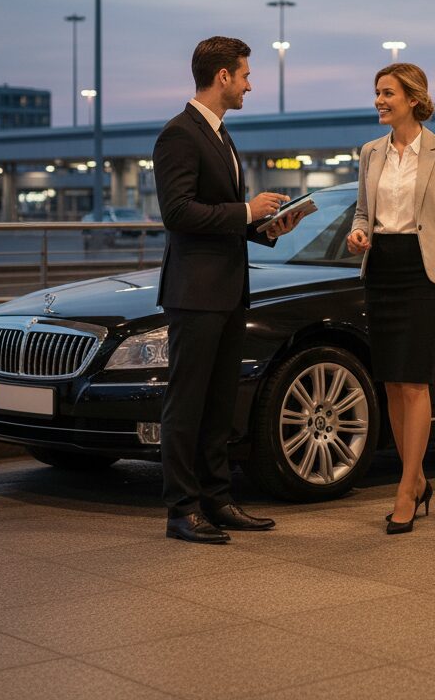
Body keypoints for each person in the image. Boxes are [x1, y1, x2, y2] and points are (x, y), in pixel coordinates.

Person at [154, 36, 305, 544]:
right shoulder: (180, 134)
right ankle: (181, 510)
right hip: (194, 292)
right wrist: (246, 211)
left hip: (226, 289)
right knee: (187, 403)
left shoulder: (220, 135)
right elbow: (177, 213)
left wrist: (264, 228)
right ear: (222, 77)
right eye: (244, 75)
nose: (249, 84)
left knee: (219, 404)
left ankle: (217, 501)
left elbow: (216, 215)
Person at [346, 63, 435, 534]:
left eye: (387, 93)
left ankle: (405, 489)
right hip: (381, 269)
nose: (379, 101)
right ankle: (417, 478)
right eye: (377, 93)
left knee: (415, 382)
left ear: (413, 98)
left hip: (424, 275)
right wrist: (357, 234)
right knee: (391, 383)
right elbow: (363, 212)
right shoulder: (370, 152)